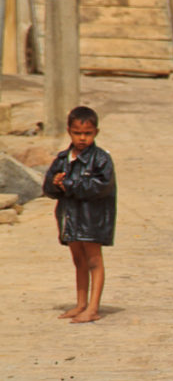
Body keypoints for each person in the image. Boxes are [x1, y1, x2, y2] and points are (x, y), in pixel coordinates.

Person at [43, 105, 117, 324]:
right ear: (69, 131)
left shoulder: (101, 159)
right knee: (78, 261)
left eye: (87, 133)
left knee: (94, 260)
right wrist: (56, 183)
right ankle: (81, 303)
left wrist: (69, 183)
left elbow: (101, 186)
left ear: (96, 133)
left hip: (92, 220)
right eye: (78, 133)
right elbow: (48, 187)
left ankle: (93, 307)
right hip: (70, 219)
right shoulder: (62, 158)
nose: (82, 138)